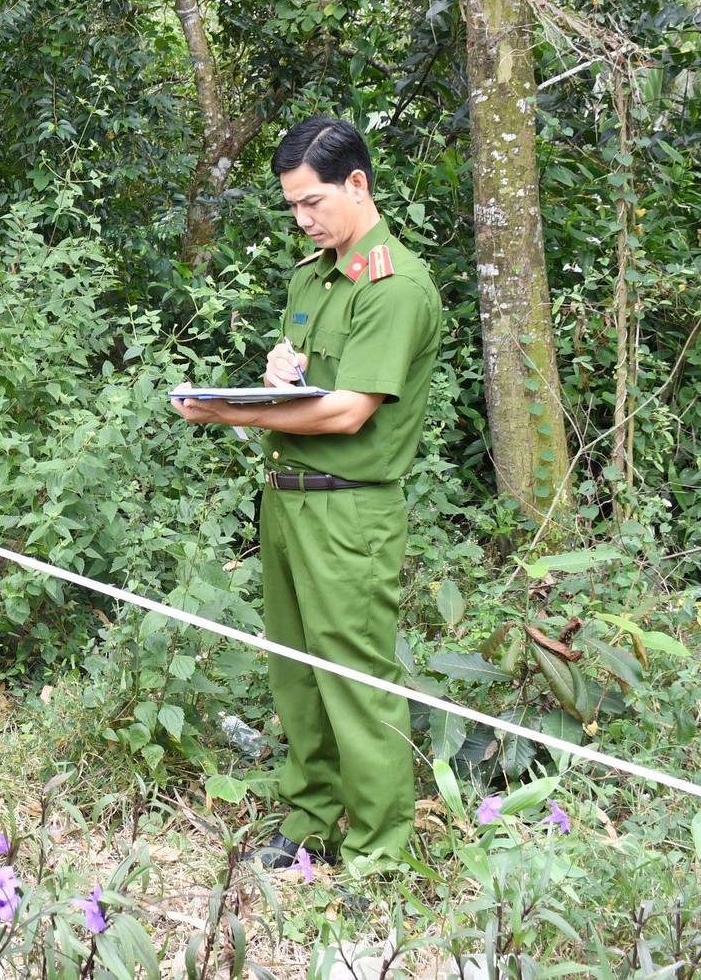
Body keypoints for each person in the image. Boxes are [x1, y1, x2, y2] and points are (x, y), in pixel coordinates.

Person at [171, 116, 441, 869]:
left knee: (355, 683)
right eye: (292, 206)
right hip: (287, 497)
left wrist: (223, 410)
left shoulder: (394, 285)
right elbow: (309, 387)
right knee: (296, 675)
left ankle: (380, 852)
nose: (303, 219)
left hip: (350, 507)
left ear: (357, 184)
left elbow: (351, 410)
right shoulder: (311, 276)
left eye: (313, 202)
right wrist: (275, 381)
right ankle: (312, 821)